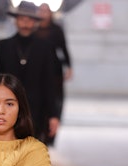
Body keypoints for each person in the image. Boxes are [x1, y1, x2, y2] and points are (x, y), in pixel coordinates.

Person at [0, 1, 59, 145]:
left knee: (32, 153)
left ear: (35, 22)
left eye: (29, 19)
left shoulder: (45, 48)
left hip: (37, 110)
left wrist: (53, 115)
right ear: (16, 21)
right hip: (8, 108)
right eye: (22, 18)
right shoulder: (3, 46)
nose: (25, 23)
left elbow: (49, 83)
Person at [35, 2, 73, 145]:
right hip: (36, 70)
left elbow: (63, 49)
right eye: (41, 10)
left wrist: (69, 67)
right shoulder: (33, 29)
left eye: (46, 10)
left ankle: (50, 134)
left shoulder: (56, 30)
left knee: (55, 101)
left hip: (54, 71)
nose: (43, 13)